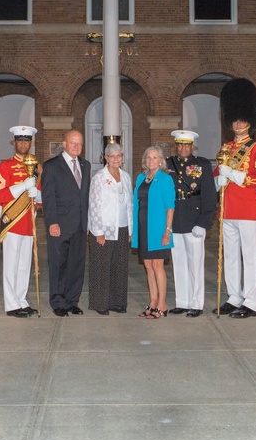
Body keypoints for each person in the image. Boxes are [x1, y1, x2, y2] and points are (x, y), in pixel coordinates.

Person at [214, 78, 256, 319]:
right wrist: (219, 179)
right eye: (234, 118)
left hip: (247, 210)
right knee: (231, 257)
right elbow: (217, 173)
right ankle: (234, 296)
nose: (238, 122)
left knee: (249, 256)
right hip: (228, 210)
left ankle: (251, 300)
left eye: (242, 118)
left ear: (250, 121)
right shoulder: (226, 147)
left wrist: (234, 175)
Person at [165, 130, 215, 317]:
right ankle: (182, 301)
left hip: (194, 220)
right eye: (180, 144)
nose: (183, 148)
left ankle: (196, 303)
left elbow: (209, 195)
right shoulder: (168, 164)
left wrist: (204, 222)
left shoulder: (201, 164)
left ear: (192, 146)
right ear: (176, 145)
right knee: (178, 263)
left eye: (187, 145)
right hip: (175, 218)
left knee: (195, 264)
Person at [40, 129, 90, 316]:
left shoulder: (86, 165)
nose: (76, 147)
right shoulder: (51, 166)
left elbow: (84, 197)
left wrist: (87, 223)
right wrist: (52, 222)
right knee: (59, 265)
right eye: (73, 143)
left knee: (77, 265)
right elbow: (49, 197)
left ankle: (72, 301)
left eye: (79, 144)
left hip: (79, 225)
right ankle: (58, 302)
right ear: (64, 144)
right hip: (59, 225)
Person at [0, 125, 40, 317]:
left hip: (29, 222)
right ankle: (11, 304)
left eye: (26, 140)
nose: (23, 144)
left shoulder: (37, 166)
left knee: (24, 265)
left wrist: (37, 194)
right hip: (12, 222)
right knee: (11, 265)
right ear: (15, 143)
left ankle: (21, 299)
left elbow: (40, 196)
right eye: (20, 140)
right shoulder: (5, 166)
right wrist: (22, 186)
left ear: (31, 142)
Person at [86, 142, 132, 315]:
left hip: (122, 227)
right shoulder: (99, 178)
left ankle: (118, 302)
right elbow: (94, 205)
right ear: (106, 158)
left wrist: (130, 230)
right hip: (104, 229)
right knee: (101, 267)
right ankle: (100, 303)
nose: (115, 159)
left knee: (119, 266)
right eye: (112, 156)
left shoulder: (126, 177)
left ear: (122, 157)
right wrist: (98, 231)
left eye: (119, 155)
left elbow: (129, 204)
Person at [133, 146, 175, 319]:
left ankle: (162, 304)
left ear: (161, 160)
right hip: (143, 228)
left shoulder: (165, 179)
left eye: (155, 157)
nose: (151, 160)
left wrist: (167, 231)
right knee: (148, 266)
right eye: (148, 157)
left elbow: (170, 207)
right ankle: (153, 301)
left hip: (158, 229)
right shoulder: (141, 178)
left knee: (157, 266)